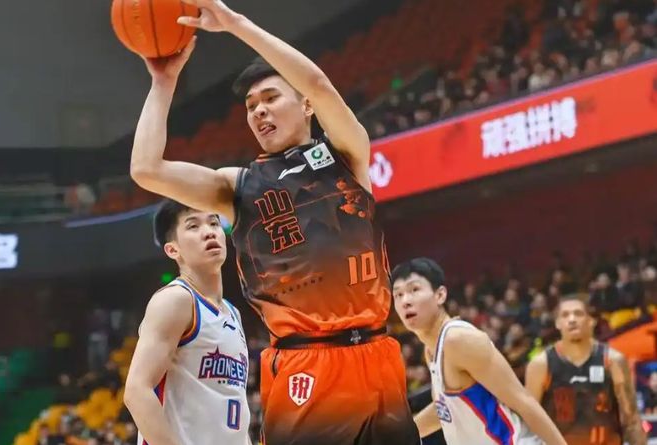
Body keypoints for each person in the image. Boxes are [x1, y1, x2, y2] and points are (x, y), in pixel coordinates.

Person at [129, 1, 420, 444]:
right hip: (307, 364)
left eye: (270, 98)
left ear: (306, 105)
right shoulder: (238, 186)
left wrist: (237, 25)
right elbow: (146, 169)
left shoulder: (345, 155)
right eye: (250, 106)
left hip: (378, 354)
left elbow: (319, 83)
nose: (258, 111)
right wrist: (163, 82)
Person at [391, 257, 566, 445]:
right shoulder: (431, 349)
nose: (405, 301)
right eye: (398, 295)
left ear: (440, 295)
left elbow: (523, 401)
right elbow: (445, 410)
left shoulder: (458, 339)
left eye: (414, 290)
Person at [123, 200, 251, 445]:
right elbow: (137, 391)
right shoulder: (176, 300)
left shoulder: (233, 314)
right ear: (173, 250)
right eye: (193, 226)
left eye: (214, 222)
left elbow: (233, 404)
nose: (209, 232)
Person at [525, 295, 647, 445]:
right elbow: (530, 420)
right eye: (565, 315)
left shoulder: (613, 361)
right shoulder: (541, 364)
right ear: (557, 323)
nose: (572, 319)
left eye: (578, 313)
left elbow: (631, 419)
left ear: (591, 320)